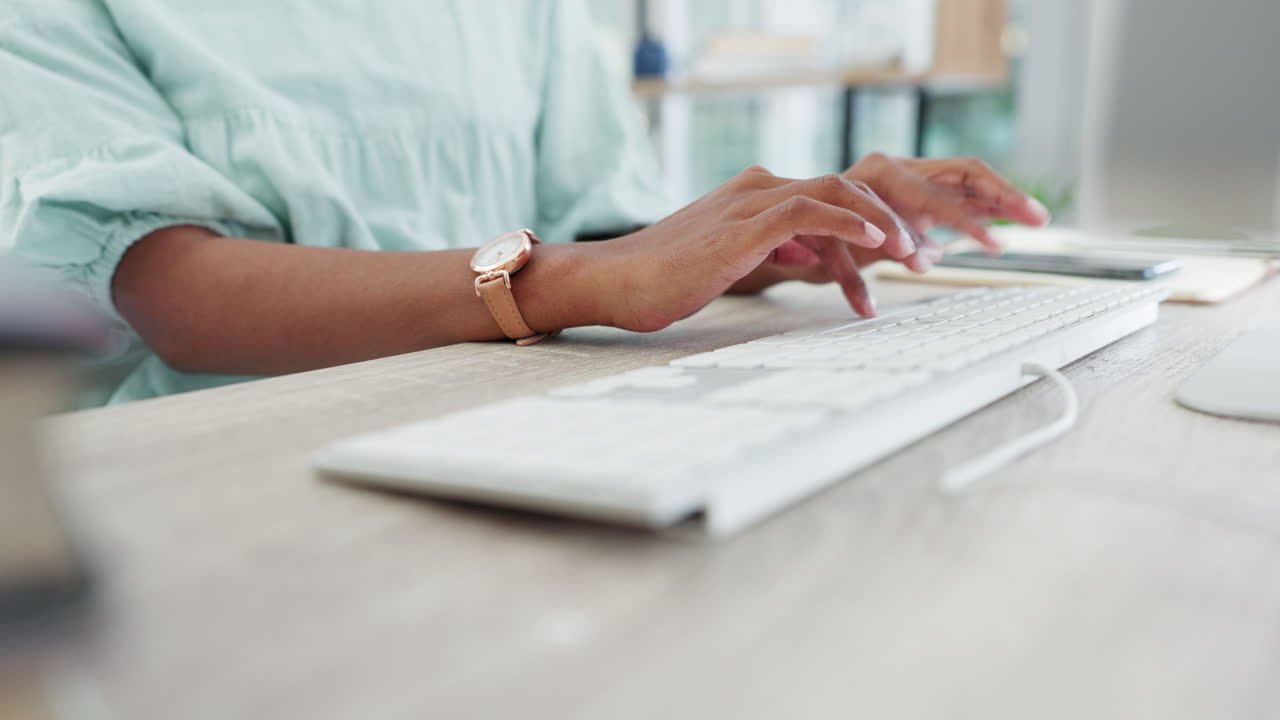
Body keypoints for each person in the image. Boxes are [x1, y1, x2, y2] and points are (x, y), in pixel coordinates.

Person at [0, 0, 1048, 406]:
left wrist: (766, 240)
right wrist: (568, 282)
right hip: (214, 474)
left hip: (524, 420)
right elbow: (164, 290)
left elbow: (602, 234)